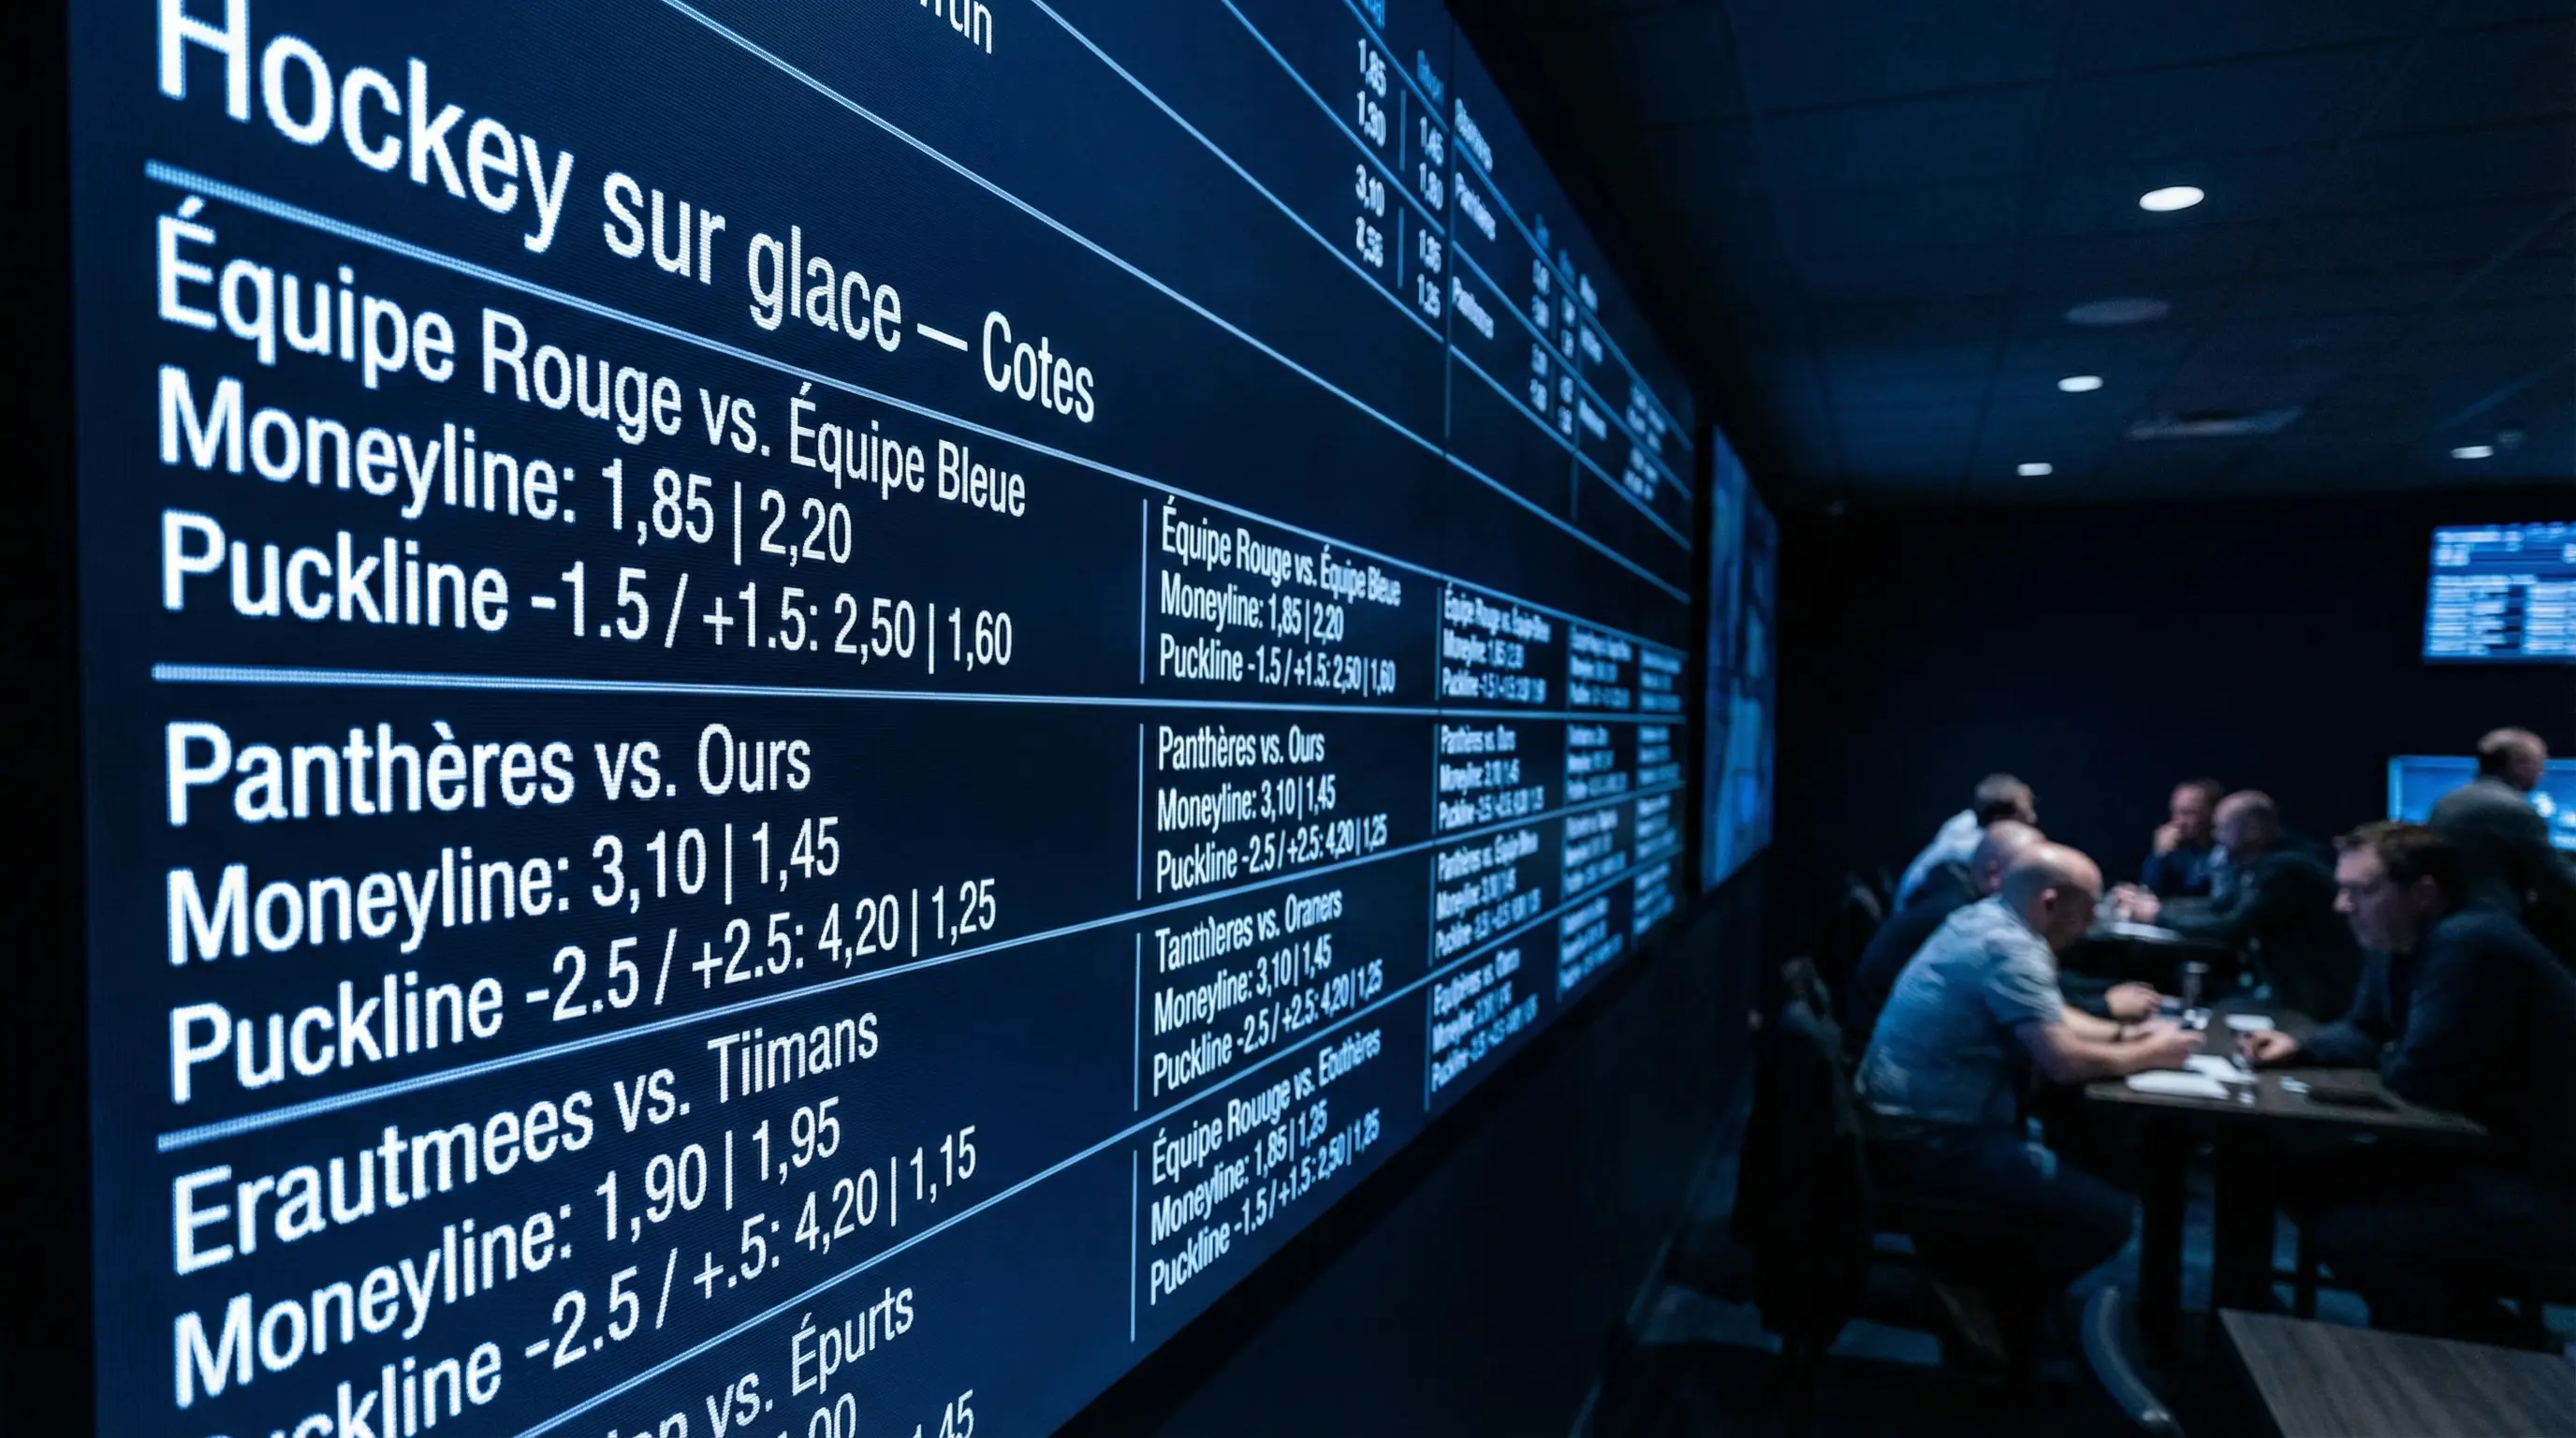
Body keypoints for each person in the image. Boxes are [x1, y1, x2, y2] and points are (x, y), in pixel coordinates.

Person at [2244, 823, 2576, 1339]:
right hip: (2482, 1149)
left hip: (2545, 1176)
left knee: (2355, 1234)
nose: (2341, 906)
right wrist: (2303, 1047)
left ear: (2423, 893)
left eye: (2361, 891)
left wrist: (2388, 1053)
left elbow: (2419, 1079)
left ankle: (2494, 1358)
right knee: (2292, 1180)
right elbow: (2365, 1030)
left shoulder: (2469, 942)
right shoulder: (2397, 940)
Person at [1860, 844, 2200, 1346]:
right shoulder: (2010, 948)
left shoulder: (1986, 919)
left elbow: (2052, 1015)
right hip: (1929, 1140)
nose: (2090, 924)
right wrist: (2153, 1055)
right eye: (2087, 909)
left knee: (2078, 1162)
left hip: (1908, 1122)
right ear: (2048, 902)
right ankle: (1988, 1304)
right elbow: (2062, 1062)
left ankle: (1985, 1288)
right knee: (2108, 1217)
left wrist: (2128, 1038)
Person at [1849, 821, 2157, 1042]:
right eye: (2025, 871)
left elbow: (2038, 991)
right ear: (1997, 873)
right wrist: (2106, 1008)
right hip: (1919, 1104)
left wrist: (2102, 1001)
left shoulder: (1972, 906)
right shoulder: (1977, 924)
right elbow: (2057, 1049)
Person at [2116, 791, 2361, 1020]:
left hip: (2314, 997)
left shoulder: (2285, 869)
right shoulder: (2260, 864)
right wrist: (2157, 908)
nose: (2216, 837)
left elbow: (2234, 928)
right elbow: (2219, 907)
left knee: (2219, 1014)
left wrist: (2158, 915)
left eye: (2222, 828)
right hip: (2290, 987)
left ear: (2253, 830)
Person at [2430, 727, 2575, 961]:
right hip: (2495, 927)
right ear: (2518, 763)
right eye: (2540, 764)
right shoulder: (2513, 809)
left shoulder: (2447, 802)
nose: (2543, 773)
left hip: (2446, 922)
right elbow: (2554, 878)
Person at [1894, 773, 2038, 908]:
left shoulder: (1966, 820)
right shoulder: (1975, 854)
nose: (2032, 818)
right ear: (1998, 819)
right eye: (2024, 813)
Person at [2140, 779, 2224, 898]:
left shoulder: (2226, 850)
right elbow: (2149, 892)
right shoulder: (2175, 849)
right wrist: (2159, 855)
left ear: (2213, 813)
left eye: (2189, 813)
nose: (2179, 821)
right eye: (2176, 812)